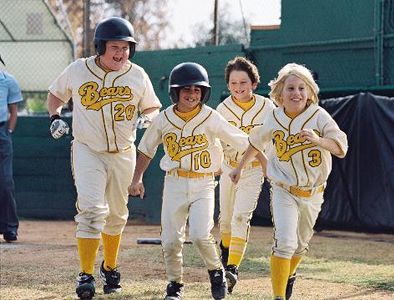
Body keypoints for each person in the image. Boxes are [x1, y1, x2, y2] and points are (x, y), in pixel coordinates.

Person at [47, 17, 161, 300]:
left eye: (125, 47)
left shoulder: (137, 74)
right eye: (114, 47)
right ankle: (85, 274)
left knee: (117, 214)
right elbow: (55, 94)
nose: (120, 53)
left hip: (124, 152)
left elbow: (153, 107)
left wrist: (148, 117)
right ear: (100, 47)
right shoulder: (78, 70)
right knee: (92, 210)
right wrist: (55, 116)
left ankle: (110, 267)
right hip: (88, 150)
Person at [128, 62, 252, 300]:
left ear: (204, 93)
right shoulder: (163, 119)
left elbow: (242, 140)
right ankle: (175, 285)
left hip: (204, 183)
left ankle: (217, 273)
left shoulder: (209, 117)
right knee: (171, 238)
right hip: (174, 181)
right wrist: (137, 178)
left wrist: (264, 159)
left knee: (199, 234)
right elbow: (146, 150)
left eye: (197, 90)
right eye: (186, 89)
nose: (192, 94)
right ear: (175, 92)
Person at [229, 63, 348, 300]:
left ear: (310, 92)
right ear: (280, 94)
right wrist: (240, 168)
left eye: (301, 88)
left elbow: (341, 148)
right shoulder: (274, 117)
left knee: (300, 245)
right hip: (283, 190)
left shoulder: (318, 116)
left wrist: (318, 140)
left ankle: (289, 274)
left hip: (313, 192)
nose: (296, 93)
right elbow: (256, 142)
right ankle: (278, 297)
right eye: (291, 88)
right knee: (284, 242)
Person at [215, 56, 275, 293]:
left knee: (241, 217)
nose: (238, 88)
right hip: (229, 168)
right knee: (226, 220)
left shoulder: (266, 107)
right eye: (233, 83)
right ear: (228, 85)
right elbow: (217, 141)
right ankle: (225, 256)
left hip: (252, 170)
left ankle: (232, 268)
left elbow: (270, 139)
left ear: (253, 82)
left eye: (243, 82)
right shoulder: (222, 109)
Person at [0, 55, 23, 243]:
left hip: (2, 133)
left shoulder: (9, 81)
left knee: (6, 182)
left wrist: (8, 131)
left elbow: (13, 110)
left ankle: (10, 228)